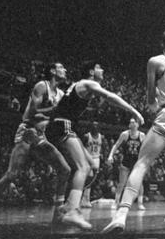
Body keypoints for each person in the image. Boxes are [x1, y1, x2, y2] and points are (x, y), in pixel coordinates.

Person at [103, 29, 165, 233]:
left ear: (162, 44)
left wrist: (154, 106)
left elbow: (150, 97)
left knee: (142, 162)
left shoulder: (155, 61)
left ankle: (121, 215)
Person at [0, 62, 72, 230]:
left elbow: (54, 117)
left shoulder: (61, 93)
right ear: (53, 71)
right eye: (61, 67)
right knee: (12, 174)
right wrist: (55, 110)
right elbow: (31, 113)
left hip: (41, 135)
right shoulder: (42, 86)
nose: (65, 70)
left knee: (65, 169)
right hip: (28, 131)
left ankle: (58, 215)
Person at [46, 60, 144, 230]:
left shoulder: (80, 86)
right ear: (91, 72)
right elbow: (110, 97)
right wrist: (134, 111)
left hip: (63, 125)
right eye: (99, 68)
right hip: (63, 124)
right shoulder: (88, 83)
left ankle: (63, 209)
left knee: (91, 167)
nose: (103, 69)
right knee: (83, 167)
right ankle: (72, 210)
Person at [107, 118, 146, 210]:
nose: (131, 124)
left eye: (134, 122)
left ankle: (140, 203)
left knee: (139, 183)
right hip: (126, 161)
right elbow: (116, 145)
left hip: (137, 162)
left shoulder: (142, 135)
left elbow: (146, 149)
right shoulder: (125, 134)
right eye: (130, 122)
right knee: (122, 183)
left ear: (137, 125)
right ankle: (116, 202)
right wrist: (110, 155)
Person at [81, 122, 103, 208]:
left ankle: (87, 199)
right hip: (88, 158)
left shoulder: (101, 137)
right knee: (88, 178)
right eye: (93, 125)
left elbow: (102, 148)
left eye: (97, 125)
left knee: (92, 180)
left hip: (97, 158)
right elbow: (81, 147)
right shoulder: (87, 136)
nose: (95, 127)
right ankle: (83, 199)